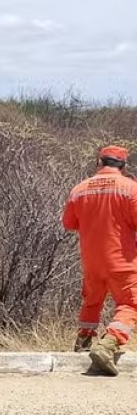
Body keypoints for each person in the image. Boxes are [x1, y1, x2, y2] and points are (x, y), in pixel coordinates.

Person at [63, 145, 137, 376]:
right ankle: (108, 344)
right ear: (123, 167)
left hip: (91, 259)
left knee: (92, 301)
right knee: (130, 304)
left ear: (99, 162)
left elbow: (69, 223)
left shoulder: (79, 190)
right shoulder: (130, 189)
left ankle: (82, 344)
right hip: (121, 259)